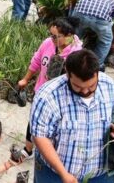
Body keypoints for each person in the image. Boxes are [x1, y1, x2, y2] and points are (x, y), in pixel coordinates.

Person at [30, 49, 114, 183]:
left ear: (97, 74)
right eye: (78, 86)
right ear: (67, 73)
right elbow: (40, 137)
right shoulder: (47, 96)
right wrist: (63, 173)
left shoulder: (108, 85)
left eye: (91, 86)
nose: (85, 91)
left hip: (100, 175)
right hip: (55, 174)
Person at [15, 18, 83, 162]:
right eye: (50, 35)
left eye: (55, 36)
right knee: (34, 120)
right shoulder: (48, 44)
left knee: (55, 127)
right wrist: (26, 79)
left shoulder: (76, 55)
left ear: (69, 35)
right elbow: (36, 61)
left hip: (61, 100)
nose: (51, 39)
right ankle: (28, 149)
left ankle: (51, 154)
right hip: (41, 93)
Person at [69, 0, 114, 68]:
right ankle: (96, 65)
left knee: (74, 37)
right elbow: (113, 18)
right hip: (100, 20)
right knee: (105, 42)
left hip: (80, 14)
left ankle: (66, 57)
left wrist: (73, 4)